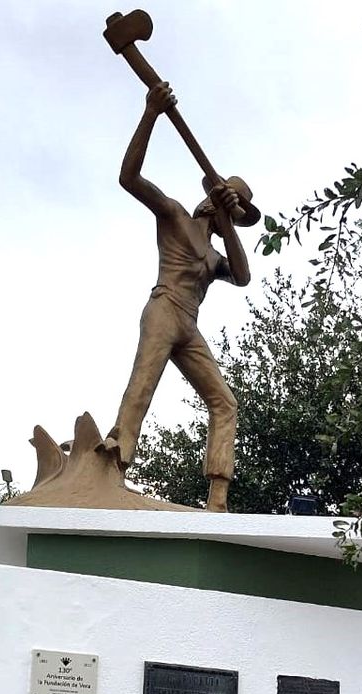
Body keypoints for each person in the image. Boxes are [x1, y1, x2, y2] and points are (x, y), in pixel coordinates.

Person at [100, 81, 258, 512]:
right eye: (226, 200)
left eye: (233, 206)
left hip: (189, 325)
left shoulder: (215, 252)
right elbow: (128, 177)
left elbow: (243, 277)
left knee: (225, 402)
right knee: (142, 386)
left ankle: (218, 496)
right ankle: (115, 463)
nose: (226, 208)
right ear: (210, 197)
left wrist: (228, 222)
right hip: (164, 307)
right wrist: (151, 112)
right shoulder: (174, 216)